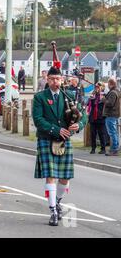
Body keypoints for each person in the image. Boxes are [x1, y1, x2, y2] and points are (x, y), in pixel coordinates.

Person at [32, 65, 87, 227]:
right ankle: (53, 211)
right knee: (51, 175)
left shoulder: (69, 96)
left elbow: (83, 115)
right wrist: (56, 130)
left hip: (65, 141)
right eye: (52, 79)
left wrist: (80, 125)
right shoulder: (40, 97)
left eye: (58, 79)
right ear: (47, 80)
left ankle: (57, 201)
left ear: (62, 80)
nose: (55, 82)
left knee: (65, 178)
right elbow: (38, 120)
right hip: (47, 138)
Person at [102, 78, 121, 156]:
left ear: (111, 84)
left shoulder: (113, 92)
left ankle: (114, 149)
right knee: (114, 132)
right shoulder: (117, 91)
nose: (108, 86)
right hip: (115, 114)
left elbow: (110, 103)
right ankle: (115, 148)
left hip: (111, 114)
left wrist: (104, 100)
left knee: (112, 133)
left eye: (108, 84)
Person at [86, 83, 107, 154]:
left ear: (101, 87)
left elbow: (105, 104)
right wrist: (91, 98)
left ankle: (103, 148)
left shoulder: (104, 95)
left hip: (101, 117)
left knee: (102, 133)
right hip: (93, 117)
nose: (97, 88)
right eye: (96, 87)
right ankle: (93, 148)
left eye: (98, 87)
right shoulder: (93, 95)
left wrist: (102, 98)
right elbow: (87, 104)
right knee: (93, 134)